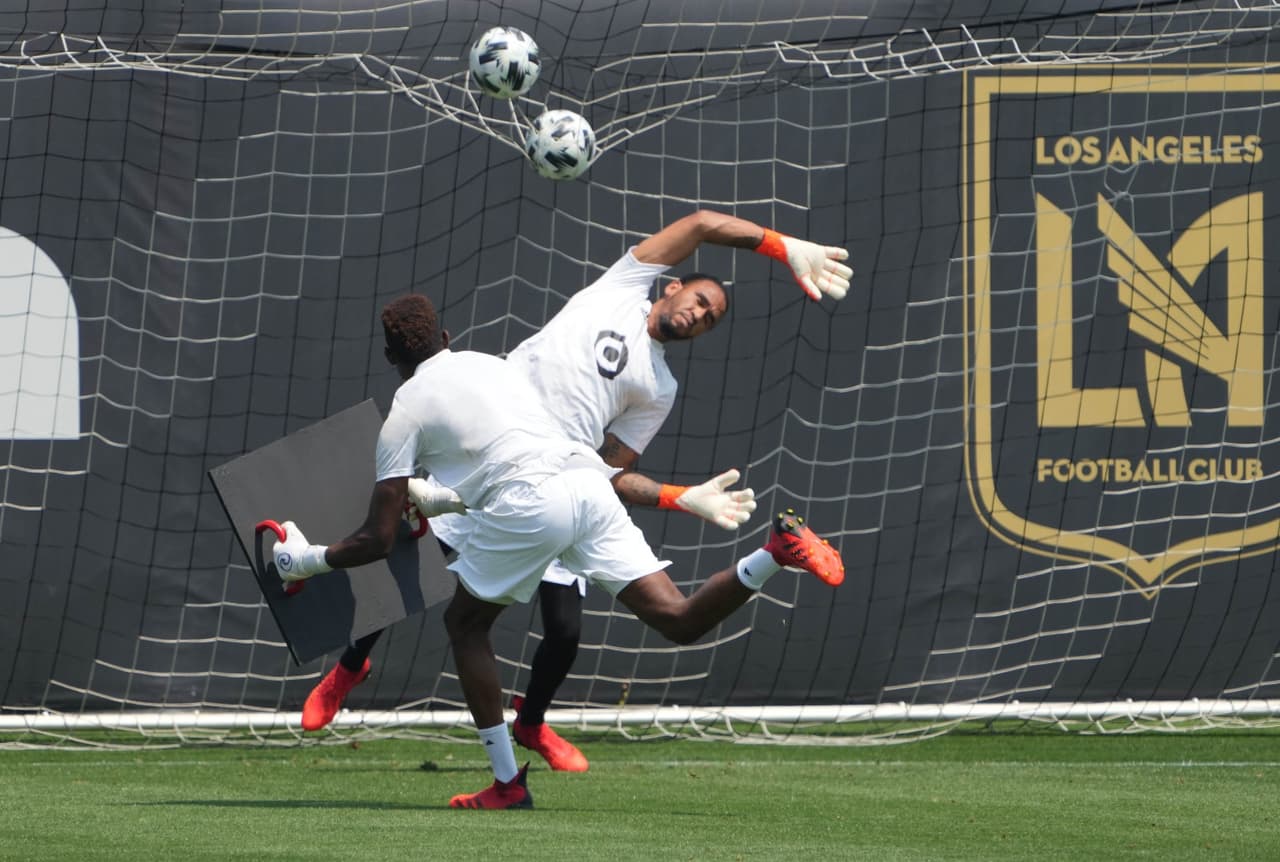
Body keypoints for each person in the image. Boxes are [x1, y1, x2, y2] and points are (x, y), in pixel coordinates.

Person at [297, 211, 852, 774]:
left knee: (561, 631)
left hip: (562, 483)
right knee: (405, 568)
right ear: (673, 284)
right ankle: (349, 668)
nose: (699, 315)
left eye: (710, 319)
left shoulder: (660, 388)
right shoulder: (621, 285)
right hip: (493, 456)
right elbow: (703, 223)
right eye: (700, 300)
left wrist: (675, 496)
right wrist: (783, 247)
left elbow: (615, 469)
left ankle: (529, 728)